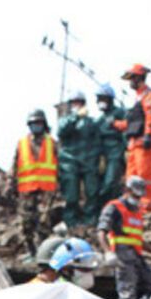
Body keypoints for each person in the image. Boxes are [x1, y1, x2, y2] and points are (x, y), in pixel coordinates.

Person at [97, 176, 151, 299]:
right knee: (127, 297)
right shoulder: (114, 208)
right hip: (122, 257)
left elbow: (136, 238)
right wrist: (108, 252)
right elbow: (101, 232)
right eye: (135, 195)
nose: (137, 199)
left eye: (140, 196)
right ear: (126, 190)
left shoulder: (137, 212)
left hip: (137, 256)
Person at [12, 109, 59, 260]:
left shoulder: (52, 143)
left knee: (44, 224)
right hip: (26, 190)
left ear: (43, 124)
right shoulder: (22, 144)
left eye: (38, 123)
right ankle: (31, 252)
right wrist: (11, 185)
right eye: (33, 123)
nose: (36, 126)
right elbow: (15, 166)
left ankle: (43, 254)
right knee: (26, 223)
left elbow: (60, 166)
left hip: (46, 190)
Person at [121, 64, 151, 212]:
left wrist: (148, 135)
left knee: (145, 176)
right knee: (131, 177)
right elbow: (132, 122)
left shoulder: (149, 95)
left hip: (145, 142)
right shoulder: (138, 98)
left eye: (132, 78)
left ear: (139, 77)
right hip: (134, 144)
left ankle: (149, 205)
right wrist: (115, 124)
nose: (130, 82)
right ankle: (133, 206)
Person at [57, 91, 102, 228]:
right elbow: (62, 131)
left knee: (92, 192)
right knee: (71, 194)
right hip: (69, 162)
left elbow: (98, 140)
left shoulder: (91, 122)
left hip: (89, 161)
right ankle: (71, 222)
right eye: (74, 102)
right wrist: (75, 117)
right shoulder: (65, 120)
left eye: (80, 103)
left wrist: (100, 158)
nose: (77, 105)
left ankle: (90, 220)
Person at [95, 84, 128, 207]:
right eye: (99, 99)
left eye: (103, 99)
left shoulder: (119, 112)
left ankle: (114, 207)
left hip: (115, 153)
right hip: (102, 156)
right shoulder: (99, 120)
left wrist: (126, 149)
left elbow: (126, 128)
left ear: (109, 99)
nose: (100, 102)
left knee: (110, 182)